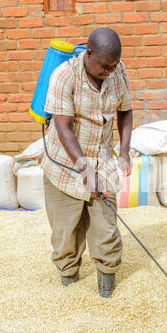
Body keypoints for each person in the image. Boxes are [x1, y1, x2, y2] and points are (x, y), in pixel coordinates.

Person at [40, 28, 133, 298]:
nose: (109, 71)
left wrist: (124, 151)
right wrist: (83, 167)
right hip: (64, 164)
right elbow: (63, 128)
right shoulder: (64, 76)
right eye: (105, 66)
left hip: (101, 158)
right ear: (89, 54)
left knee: (106, 228)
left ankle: (106, 286)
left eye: (114, 65)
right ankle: (69, 282)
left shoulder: (118, 72)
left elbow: (125, 111)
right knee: (66, 231)